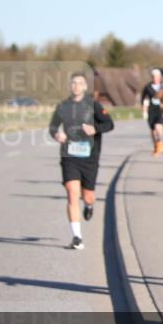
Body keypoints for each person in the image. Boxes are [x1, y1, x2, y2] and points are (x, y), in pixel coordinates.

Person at [48, 72, 114, 250]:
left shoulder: (94, 105)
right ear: (70, 86)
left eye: (80, 83)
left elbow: (109, 124)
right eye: (73, 83)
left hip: (90, 157)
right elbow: (53, 125)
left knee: (88, 196)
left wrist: (95, 128)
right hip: (69, 155)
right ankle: (77, 237)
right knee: (71, 193)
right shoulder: (63, 106)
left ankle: (90, 205)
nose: (76, 86)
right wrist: (56, 134)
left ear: (85, 87)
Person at [141, 68, 163, 156]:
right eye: (153, 77)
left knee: (158, 127)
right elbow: (144, 99)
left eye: (156, 76)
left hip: (160, 109)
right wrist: (144, 110)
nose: (155, 78)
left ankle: (160, 144)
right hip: (151, 110)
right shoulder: (148, 87)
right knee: (152, 130)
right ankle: (155, 145)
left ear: (159, 77)